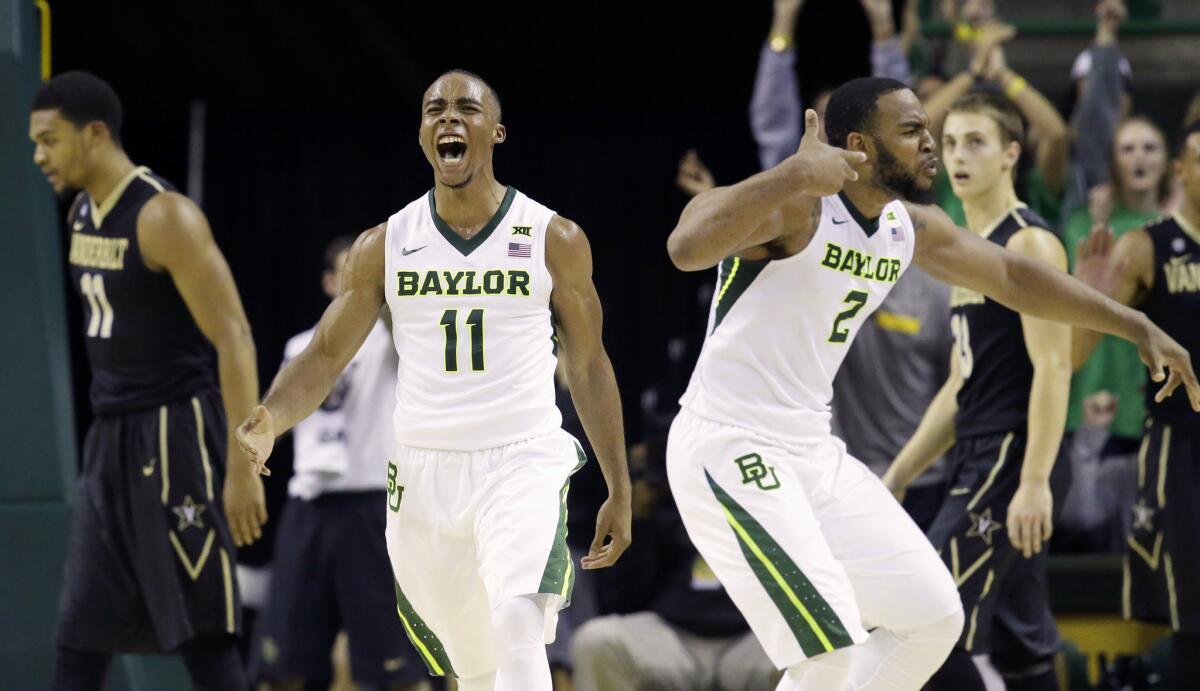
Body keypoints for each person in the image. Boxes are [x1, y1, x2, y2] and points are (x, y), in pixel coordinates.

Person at [664, 76, 1198, 691]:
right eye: (913, 130)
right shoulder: (800, 205)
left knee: (933, 618)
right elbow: (685, 246)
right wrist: (791, 173)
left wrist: (1134, 324)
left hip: (811, 449)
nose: (931, 144)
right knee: (831, 647)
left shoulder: (905, 228)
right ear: (860, 145)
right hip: (731, 444)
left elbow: (1015, 276)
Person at [234, 70, 632, 691]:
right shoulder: (383, 246)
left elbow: (588, 364)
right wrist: (270, 418)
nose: (448, 118)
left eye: (466, 109)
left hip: (521, 457)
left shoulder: (554, 238)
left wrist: (618, 485)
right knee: (472, 667)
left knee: (517, 623)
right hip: (423, 472)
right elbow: (323, 356)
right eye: (434, 110)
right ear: (422, 135)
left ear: (495, 132)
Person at [30, 71, 265, 691]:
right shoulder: (82, 210)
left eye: (50, 140)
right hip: (110, 440)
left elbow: (235, 337)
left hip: (175, 436)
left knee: (204, 639)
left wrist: (244, 465)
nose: (39, 156)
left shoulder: (165, 216)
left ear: (95, 133)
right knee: (79, 634)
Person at [884, 92, 1071, 691]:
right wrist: (903, 470)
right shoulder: (970, 251)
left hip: (1012, 456)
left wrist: (1036, 479)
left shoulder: (1028, 243)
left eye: (976, 142)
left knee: (924, 626)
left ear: (1011, 154)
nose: (957, 155)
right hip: (980, 449)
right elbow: (962, 381)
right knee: (1022, 644)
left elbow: (1054, 367)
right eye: (951, 142)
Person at [252, 237, 427, 691]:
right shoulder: (298, 348)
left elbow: (393, 315)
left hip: (371, 507)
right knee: (284, 664)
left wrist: (386, 284)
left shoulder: (392, 339)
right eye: (349, 272)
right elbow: (284, 414)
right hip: (308, 507)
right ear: (330, 282)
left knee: (393, 668)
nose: (361, 280)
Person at [1072, 120, 1200, 691]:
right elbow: (1073, 355)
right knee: (1191, 618)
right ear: (1182, 171)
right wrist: (1087, 294)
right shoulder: (1147, 244)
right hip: (1181, 447)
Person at [570, 438, 777, 691]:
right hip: (674, 636)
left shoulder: (771, 500)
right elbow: (623, 599)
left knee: (818, 651)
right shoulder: (666, 504)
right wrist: (640, 519)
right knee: (596, 641)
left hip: (752, 637)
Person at [1063, 117, 1174, 447]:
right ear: (1113, 161)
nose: (1139, 157)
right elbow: (1076, 301)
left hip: (1158, 381)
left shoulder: (1179, 227)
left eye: (1149, 148)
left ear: (1168, 160)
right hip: (1095, 382)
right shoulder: (1083, 224)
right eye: (1128, 149)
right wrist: (1100, 223)